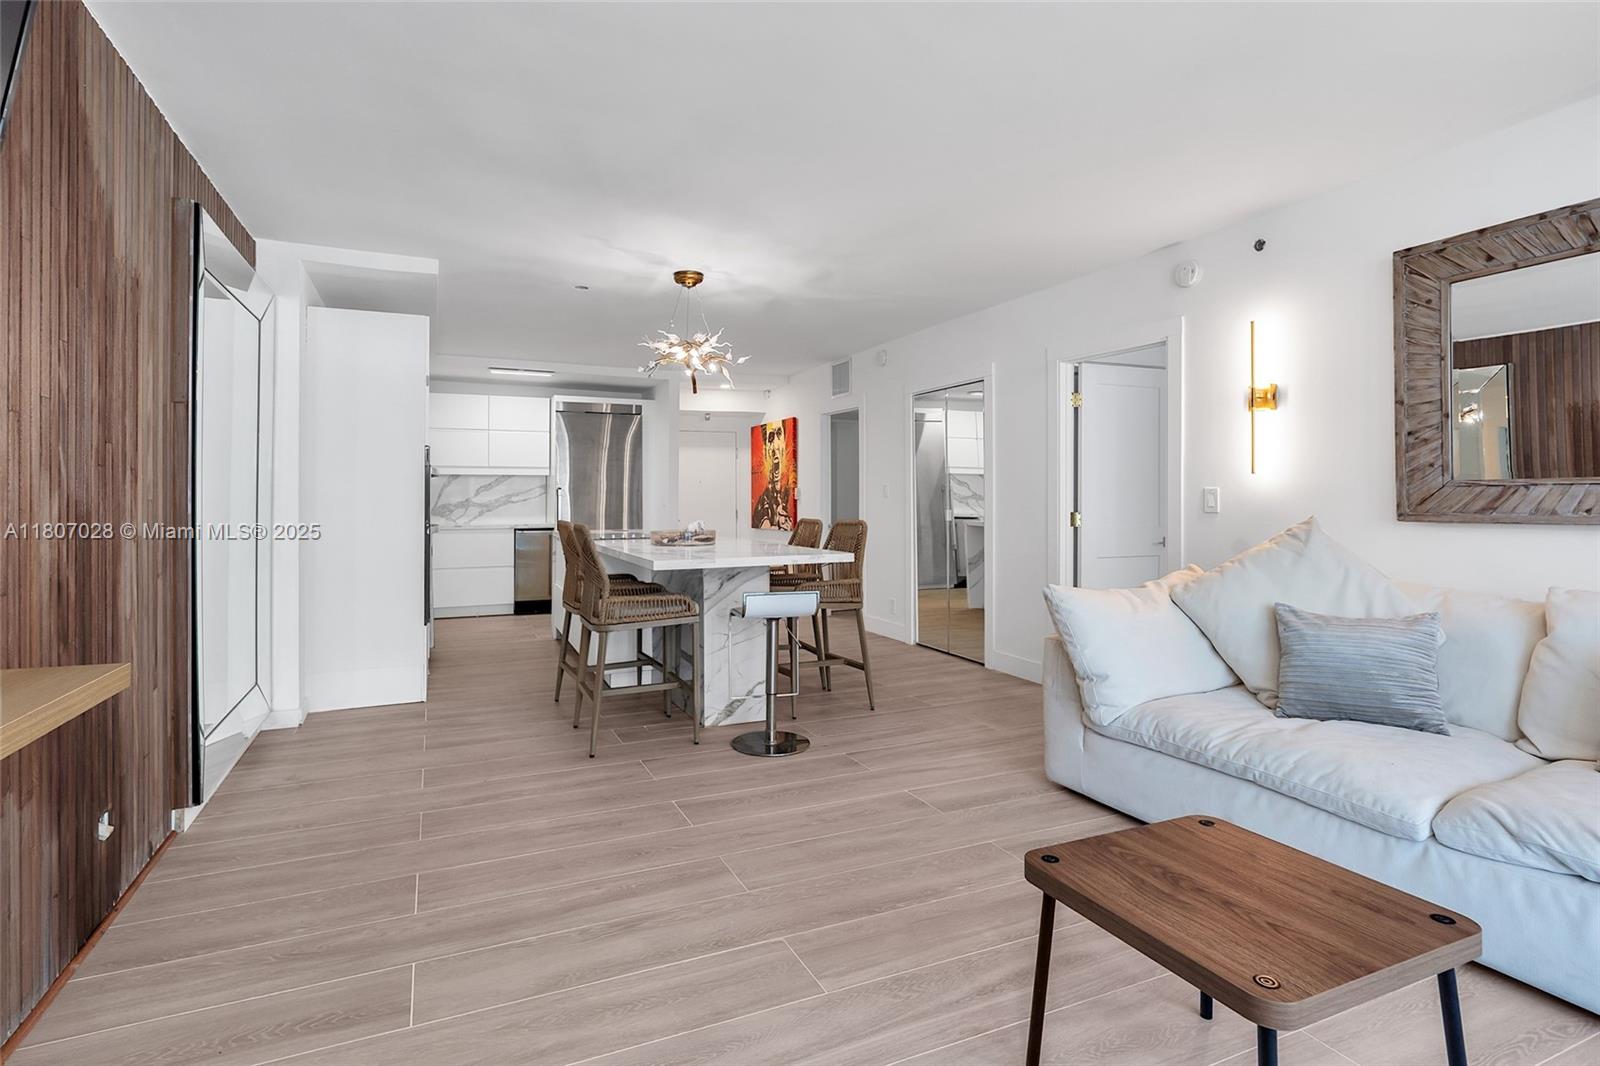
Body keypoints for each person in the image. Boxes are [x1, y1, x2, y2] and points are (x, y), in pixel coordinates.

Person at [752, 423, 793, 530]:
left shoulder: (789, 491)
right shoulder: (764, 502)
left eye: (779, 434)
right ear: (765, 451)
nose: (775, 445)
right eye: (770, 438)